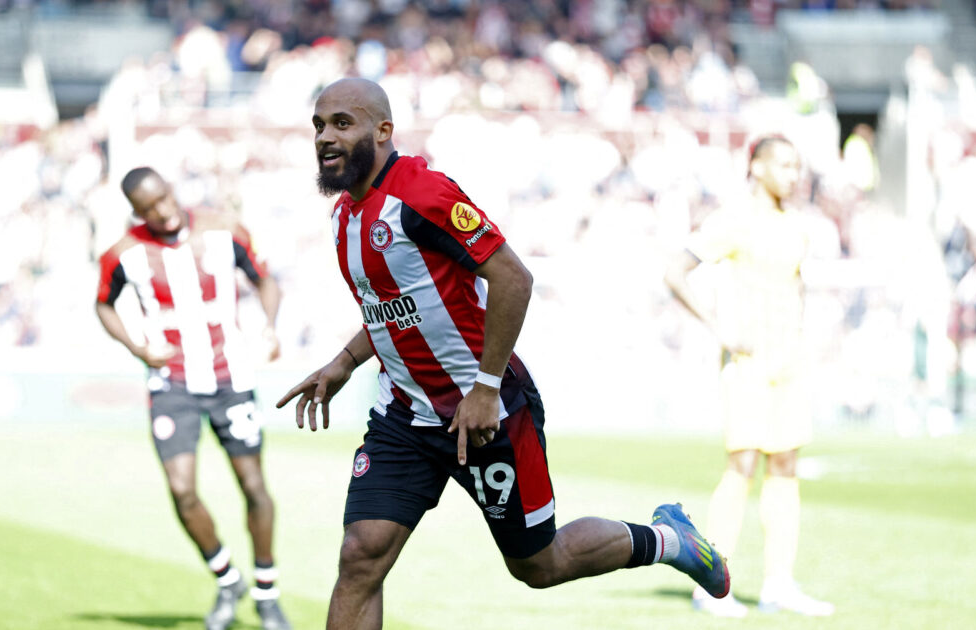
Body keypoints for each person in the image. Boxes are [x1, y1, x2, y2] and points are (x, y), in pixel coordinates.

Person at [275, 78, 730, 630]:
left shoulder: (424, 194)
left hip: (486, 411)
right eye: (319, 125)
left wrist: (485, 388)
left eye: (342, 123)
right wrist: (344, 362)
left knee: (539, 564)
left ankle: (668, 540)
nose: (326, 136)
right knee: (360, 556)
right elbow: (394, 309)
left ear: (383, 130)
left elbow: (513, 277)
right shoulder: (344, 216)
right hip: (404, 415)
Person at [96, 167, 291, 630]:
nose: (161, 212)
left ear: (171, 189)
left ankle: (267, 592)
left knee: (254, 487)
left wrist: (268, 326)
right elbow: (103, 304)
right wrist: (139, 348)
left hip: (231, 378)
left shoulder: (223, 229)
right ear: (136, 214)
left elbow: (266, 279)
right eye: (148, 209)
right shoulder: (124, 254)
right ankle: (227, 578)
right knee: (182, 490)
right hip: (172, 383)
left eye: (164, 198)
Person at [664, 135, 836, 617]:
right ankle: (710, 587)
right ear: (756, 167)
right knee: (741, 466)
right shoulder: (734, 219)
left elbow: (796, 287)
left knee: (785, 467)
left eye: (797, 165)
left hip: (790, 364)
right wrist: (719, 328)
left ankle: (778, 585)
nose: (793, 174)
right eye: (783, 164)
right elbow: (675, 270)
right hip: (748, 365)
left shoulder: (797, 227)